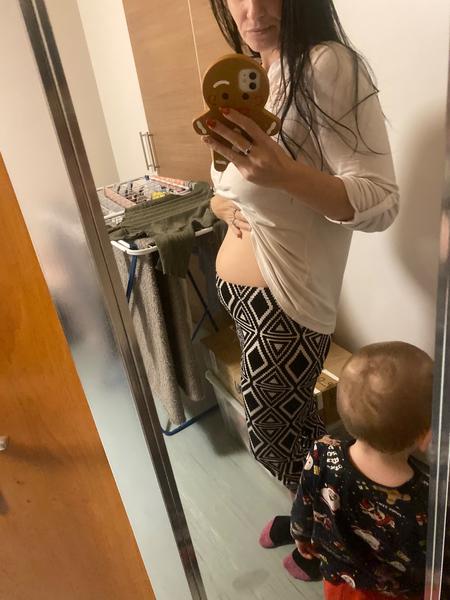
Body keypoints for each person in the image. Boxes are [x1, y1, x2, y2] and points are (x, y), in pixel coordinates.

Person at [204, 0, 400, 561]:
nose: (252, 10)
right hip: (247, 299)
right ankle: (315, 520)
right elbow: (227, 184)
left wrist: (285, 175)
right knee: (300, 428)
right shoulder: (256, 73)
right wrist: (223, 205)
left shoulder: (325, 65)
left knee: (273, 441)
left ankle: (339, 539)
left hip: (284, 307)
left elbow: (381, 203)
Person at [289, 342, 433, 599]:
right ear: (424, 437)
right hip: (392, 594)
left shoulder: (321, 453)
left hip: (339, 583)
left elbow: (304, 501)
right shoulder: (424, 499)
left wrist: (300, 534)